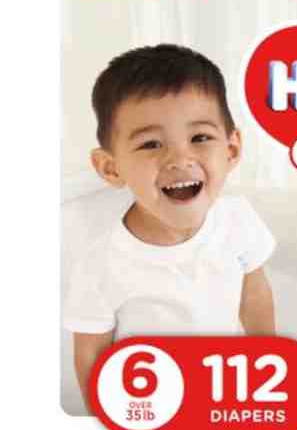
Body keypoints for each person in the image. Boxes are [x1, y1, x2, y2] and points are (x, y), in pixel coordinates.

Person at [62, 44, 276, 411]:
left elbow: (254, 294)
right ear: (111, 168)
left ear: (231, 149)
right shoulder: (100, 264)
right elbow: (90, 352)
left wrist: (265, 358)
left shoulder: (238, 219)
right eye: (150, 144)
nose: (179, 159)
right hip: (149, 402)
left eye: (200, 138)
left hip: (224, 388)